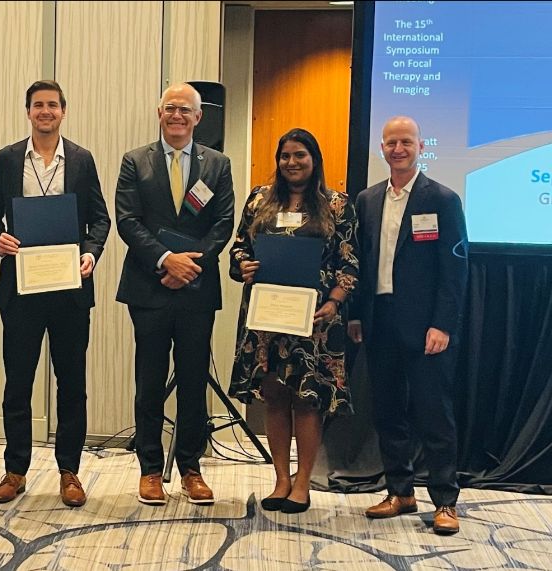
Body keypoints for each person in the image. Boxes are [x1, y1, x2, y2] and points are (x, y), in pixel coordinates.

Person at [0, 80, 110, 508]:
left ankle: (69, 472)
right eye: (38, 105)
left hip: (70, 288)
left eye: (52, 105)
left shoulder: (82, 159)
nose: (46, 112)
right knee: (17, 383)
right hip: (21, 288)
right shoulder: (9, 157)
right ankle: (15, 470)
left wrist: (90, 255)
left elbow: (99, 219)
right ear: (28, 111)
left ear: (63, 111)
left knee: (71, 383)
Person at [115, 82, 235, 506]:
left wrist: (188, 266)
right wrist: (167, 260)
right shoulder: (135, 161)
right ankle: (150, 469)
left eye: (186, 110)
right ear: (159, 113)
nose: (178, 116)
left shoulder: (218, 164)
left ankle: (191, 467)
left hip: (196, 290)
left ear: (199, 117)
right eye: (170, 109)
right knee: (148, 382)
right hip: (149, 287)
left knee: (192, 381)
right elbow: (127, 221)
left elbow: (223, 223)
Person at [349, 116, 468, 535]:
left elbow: (455, 271)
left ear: (421, 146)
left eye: (405, 142)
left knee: (434, 414)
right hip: (378, 323)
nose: (397, 148)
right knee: (388, 412)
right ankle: (400, 490)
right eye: (390, 142)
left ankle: (445, 501)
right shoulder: (366, 199)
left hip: (425, 329)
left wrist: (442, 325)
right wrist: (357, 315)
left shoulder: (443, 198)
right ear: (381, 148)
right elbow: (360, 264)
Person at [229, 128, 358, 514]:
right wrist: (243, 265)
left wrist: (334, 303)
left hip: (314, 321)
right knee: (274, 395)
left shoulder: (337, 205)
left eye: (299, 155)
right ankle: (280, 480)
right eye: (284, 156)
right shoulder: (258, 200)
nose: (291, 162)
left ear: (314, 159)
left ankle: (303, 483)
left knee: (306, 400)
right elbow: (239, 248)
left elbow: (349, 263)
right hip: (266, 319)